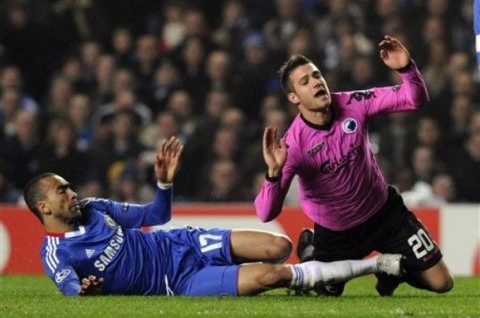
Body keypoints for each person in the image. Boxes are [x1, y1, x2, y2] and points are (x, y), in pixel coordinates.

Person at [24, 136, 401, 297]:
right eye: (62, 191)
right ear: (43, 207)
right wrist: (85, 291)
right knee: (272, 275)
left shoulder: (94, 209)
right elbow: (68, 288)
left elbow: (157, 214)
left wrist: (164, 183)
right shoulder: (57, 253)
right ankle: (373, 265)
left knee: (279, 246)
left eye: (69, 187)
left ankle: (313, 271)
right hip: (178, 280)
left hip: (181, 242)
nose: (72, 194)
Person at [254, 35, 454, 297]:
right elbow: (265, 212)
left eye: (316, 75)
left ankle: (390, 271)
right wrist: (273, 174)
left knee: (442, 283)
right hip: (337, 235)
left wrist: (407, 70)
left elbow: (413, 99)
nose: (316, 82)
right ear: (294, 97)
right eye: (305, 81)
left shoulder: (353, 103)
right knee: (323, 295)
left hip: (385, 214)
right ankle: (312, 251)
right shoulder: (293, 145)